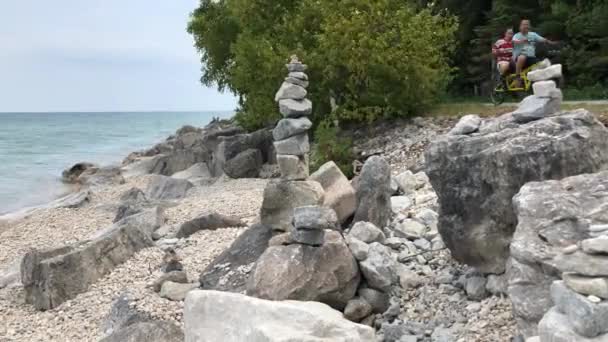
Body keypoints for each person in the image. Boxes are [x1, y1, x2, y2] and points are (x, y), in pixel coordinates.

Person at [513, 19, 557, 85]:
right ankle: (517, 77)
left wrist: (552, 43)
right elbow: (514, 41)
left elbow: (543, 40)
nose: (526, 26)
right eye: (524, 24)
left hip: (531, 57)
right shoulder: (517, 35)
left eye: (527, 24)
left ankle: (545, 83)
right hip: (520, 57)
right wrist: (522, 41)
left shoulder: (533, 35)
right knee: (522, 57)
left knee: (542, 64)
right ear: (520, 26)